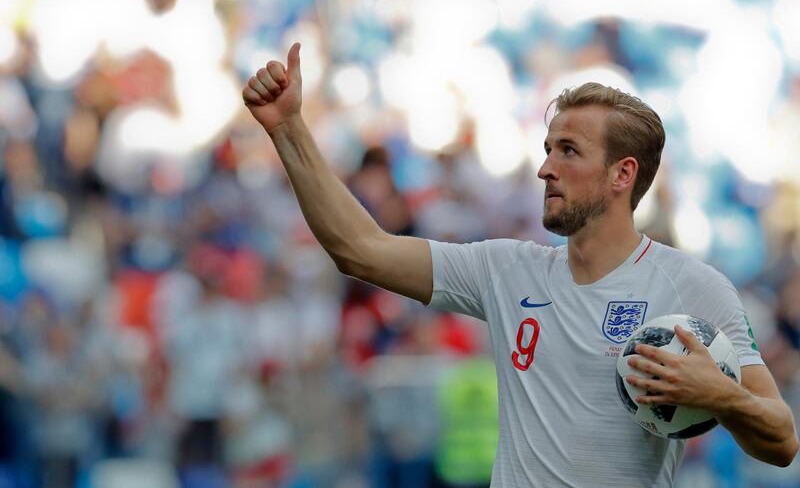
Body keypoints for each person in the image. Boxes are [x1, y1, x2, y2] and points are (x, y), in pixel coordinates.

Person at [241, 43, 799, 487]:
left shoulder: (693, 287)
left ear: (622, 174)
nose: (544, 169)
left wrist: (722, 395)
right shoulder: (507, 272)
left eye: (569, 152)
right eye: (549, 147)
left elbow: (783, 442)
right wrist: (287, 128)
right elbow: (358, 248)